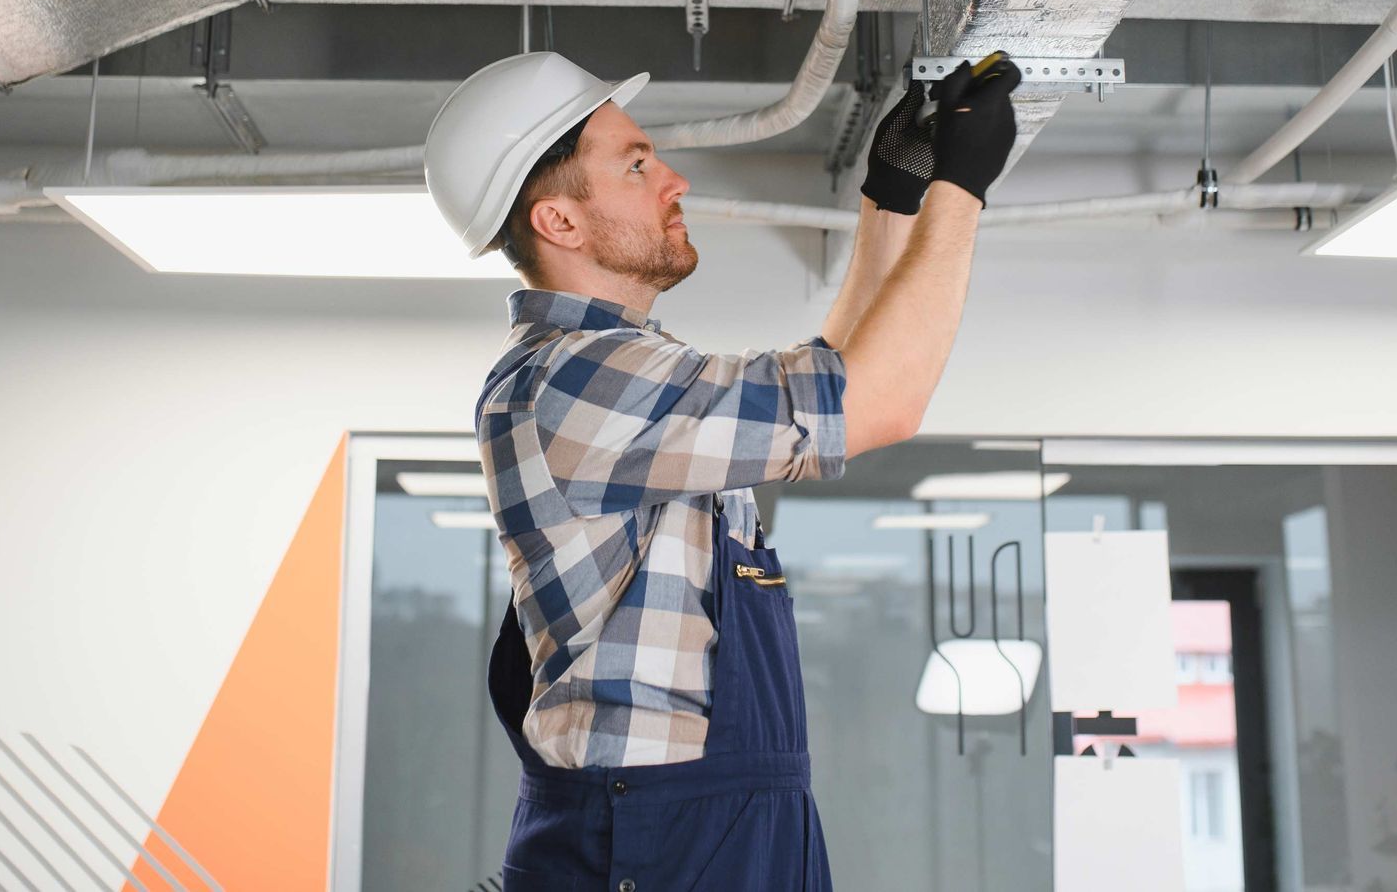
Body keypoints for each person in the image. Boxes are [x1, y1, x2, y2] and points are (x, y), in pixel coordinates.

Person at [423, 49, 1023, 891]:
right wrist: (964, 190)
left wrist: (895, 196)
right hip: (655, 834)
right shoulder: (575, 379)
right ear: (559, 222)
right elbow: (877, 401)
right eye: (636, 164)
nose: (674, 181)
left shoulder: (626, 371)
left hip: (705, 818)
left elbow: (837, 379)